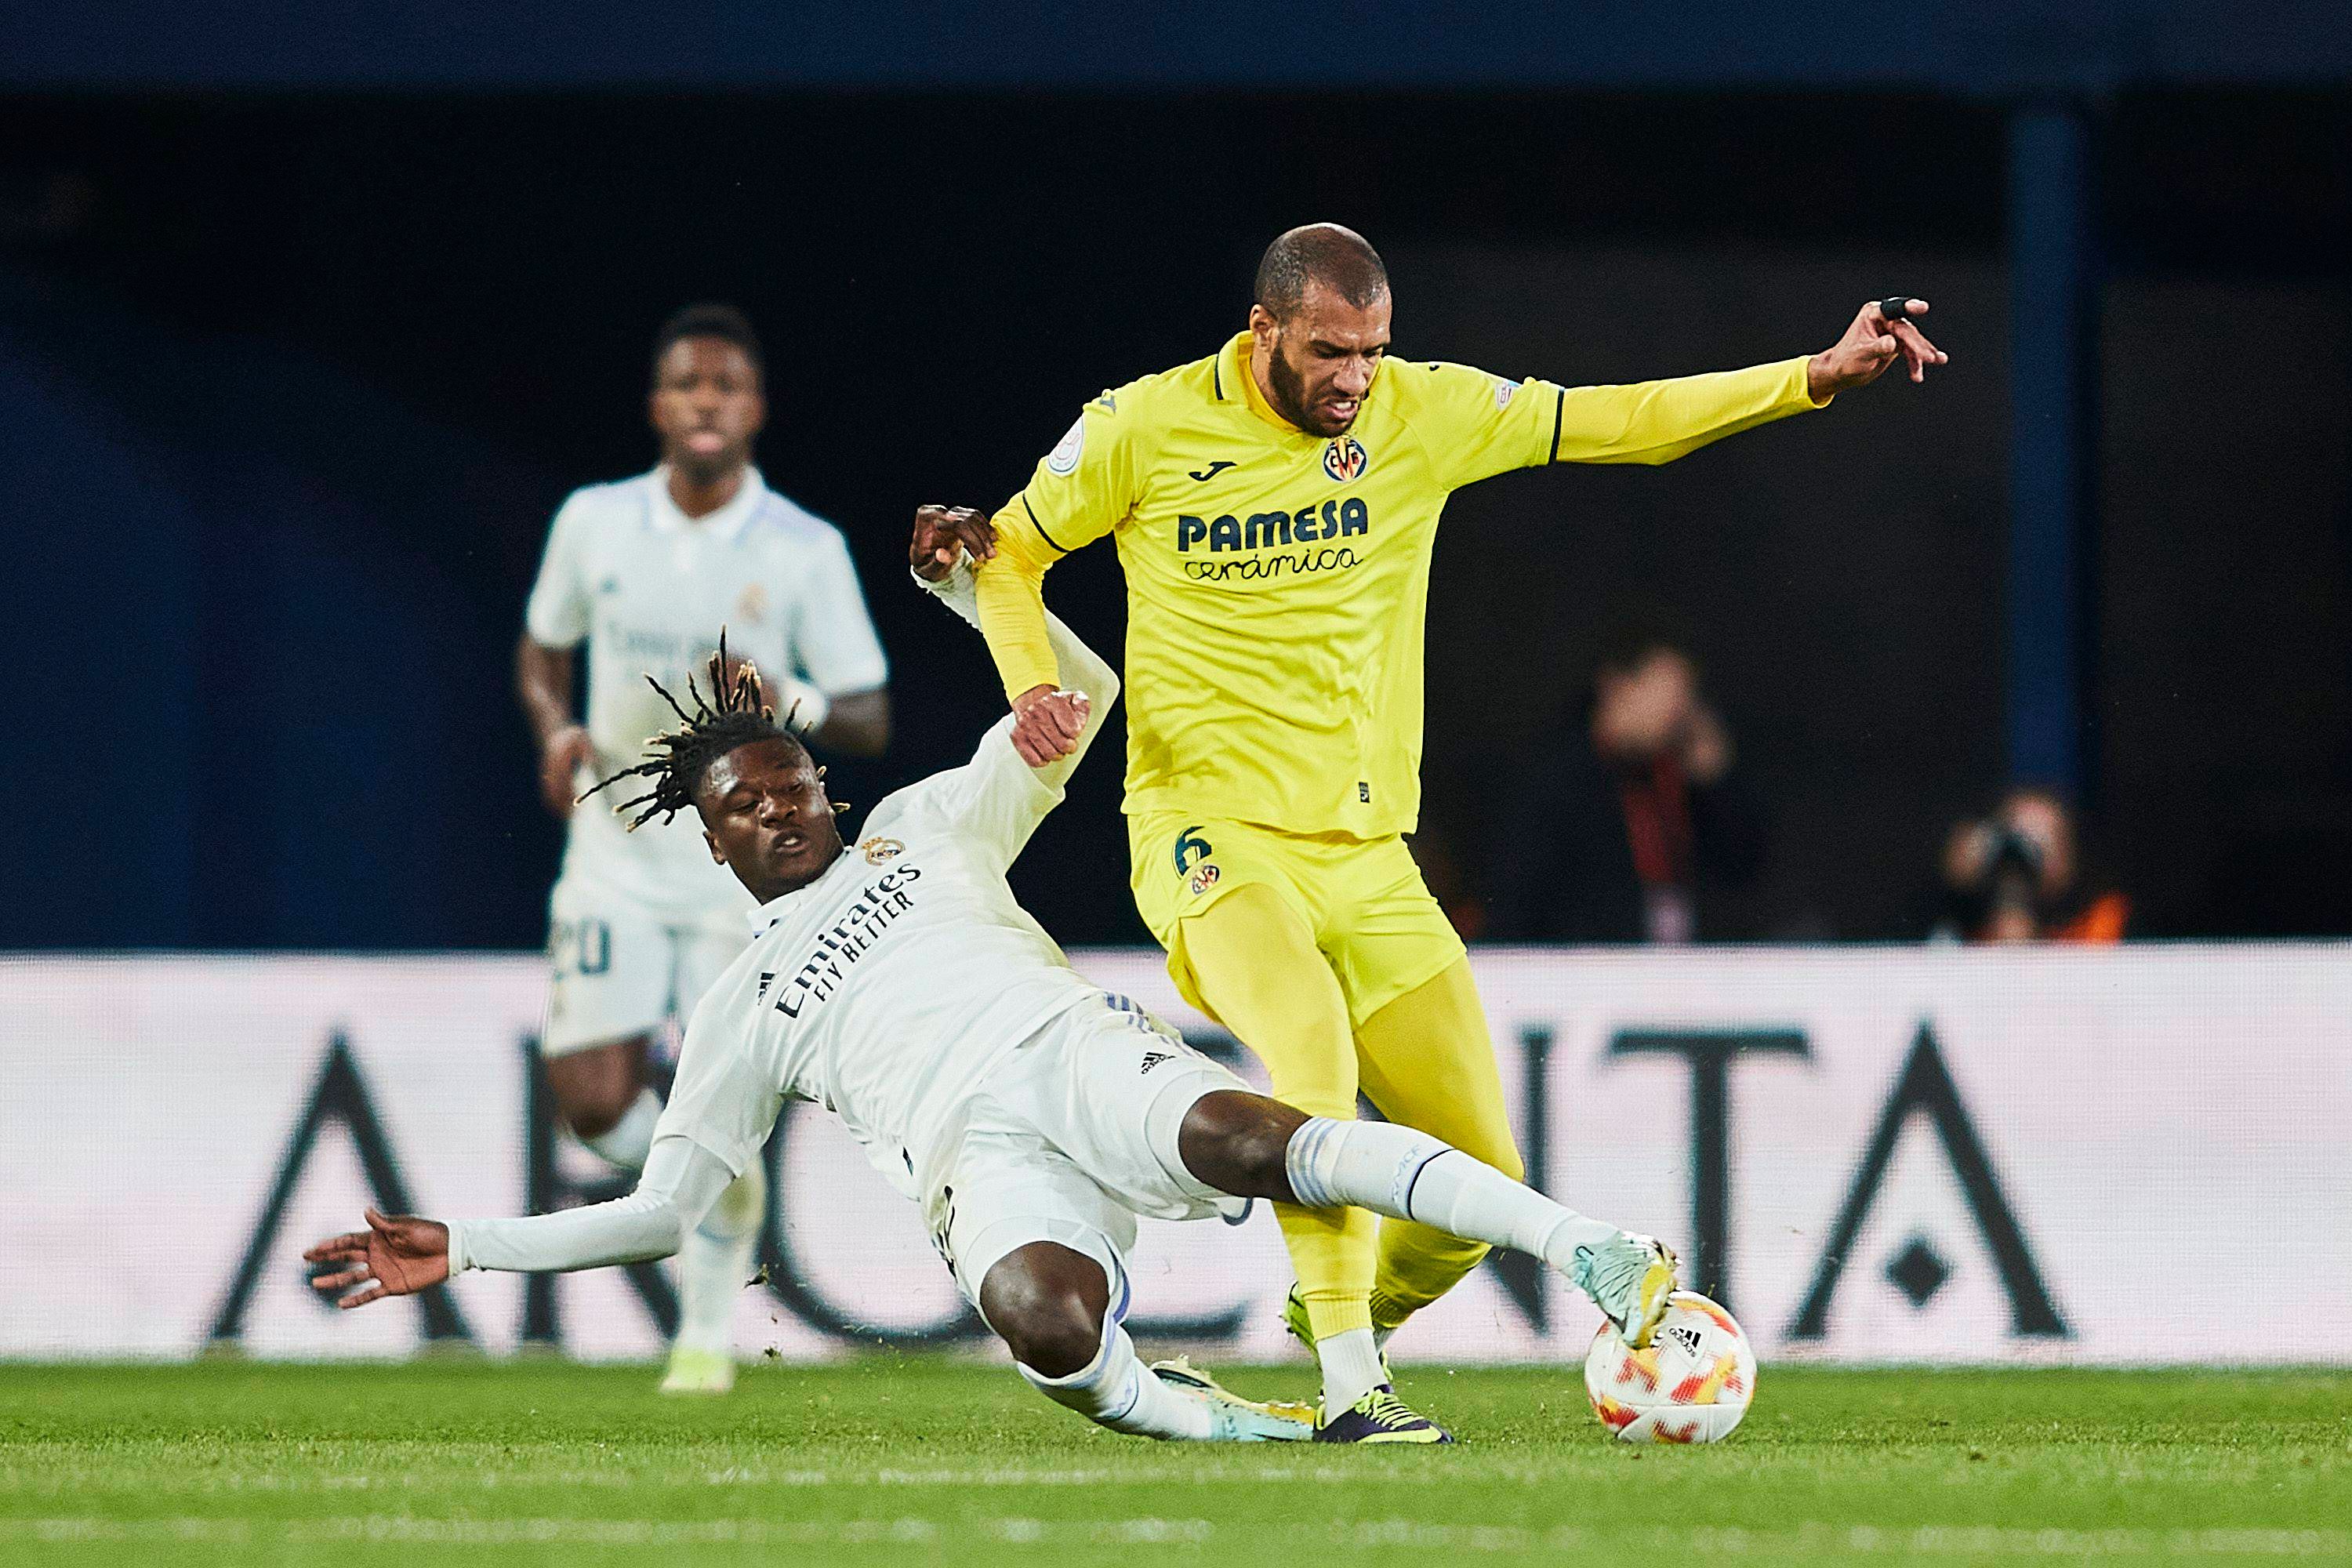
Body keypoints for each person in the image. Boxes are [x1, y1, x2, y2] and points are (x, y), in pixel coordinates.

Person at [305, 508, 1680, 1447]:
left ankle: (1592, 1248)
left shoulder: (926, 822)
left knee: (1259, 1138)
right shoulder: (740, 1007)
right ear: (714, 840)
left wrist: (976, 598)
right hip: (974, 1158)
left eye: (791, 784)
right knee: (1044, 1325)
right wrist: (469, 1246)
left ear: (823, 786)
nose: (778, 810)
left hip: (1072, 1052)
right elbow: (664, 1213)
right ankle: (1214, 1422)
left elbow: (1083, 702)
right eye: (746, 808)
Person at [954, 223, 1946, 1438]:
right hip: (1208, 835)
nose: (1354, 379)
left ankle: (1338, 1322)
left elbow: (1618, 421)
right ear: (1264, 330)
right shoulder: (1142, 428)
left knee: (1481, 1182)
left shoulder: (1421, 413)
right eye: (1329, 352)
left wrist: (1812, 377)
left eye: (1372, 352)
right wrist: (1029, 686)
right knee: (1309, 1058)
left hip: (1370, 859)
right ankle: (1353, 1394)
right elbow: (1006, 552)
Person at [513, 303, 891, 1393]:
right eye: (689, 384)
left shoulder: (803, 548)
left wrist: (789, 698)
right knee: (593, 1105)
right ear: (659, 406)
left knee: (725, 1090)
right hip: (614, 851)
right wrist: (557, 728)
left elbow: (869, 717)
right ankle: (718, 1188)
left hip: (740, 872)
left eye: (726, 385)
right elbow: (542, 650)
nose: (707, 402)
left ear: (755, 408)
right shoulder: (595, 522)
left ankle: (705, 1337)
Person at [1487, 628, 1766, 944]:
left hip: (1678, 958)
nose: (1675, 714)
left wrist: (1716, 784)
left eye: (1683, 698)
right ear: (1617, 686)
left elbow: (1739, 869)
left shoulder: (1677, 773)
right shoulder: (1557, 779)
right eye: (1662, 694)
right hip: (1589, 963)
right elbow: (1521, 900)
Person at [1933, 786, 2128, 944]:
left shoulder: (2099, 921)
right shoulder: (1961, 923)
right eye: (2016, 838)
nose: (2023, 856)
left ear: (2069, 857)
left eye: (2041, 841)